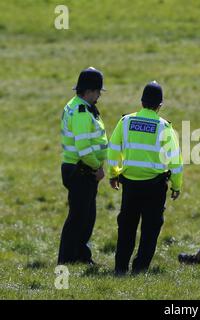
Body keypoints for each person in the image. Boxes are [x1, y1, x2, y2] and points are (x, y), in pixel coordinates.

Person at [108, 81, 183, 275]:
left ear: (141, 102)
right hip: (155, 187)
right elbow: (175, 161)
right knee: (150, 230)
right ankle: (140, 269)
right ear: (160, 105)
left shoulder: (125, 121)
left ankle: (120, 268)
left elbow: (114, 149)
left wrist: (113, 174)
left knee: (126, 228)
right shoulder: (164, 127)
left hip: (130, 186)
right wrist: (176, 186)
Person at [58, 67, 108, 265]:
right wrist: (97, 167)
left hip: (82, 170)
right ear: (89, 91)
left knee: (87, 218)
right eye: (98, 92)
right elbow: (83, 148)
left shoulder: (80, 106)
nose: (99, 97)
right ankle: (66, 260)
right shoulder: (80, 111)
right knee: (78, 219)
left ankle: (79, 255)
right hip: (81, 170)